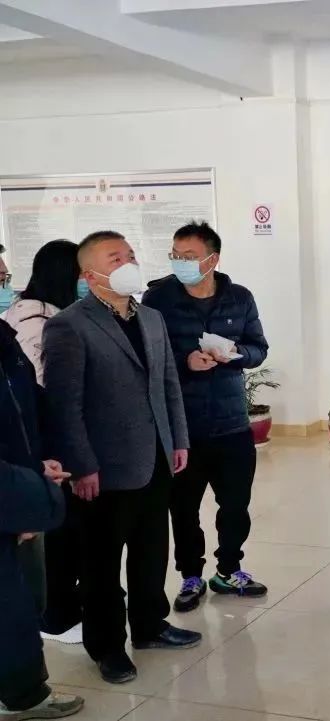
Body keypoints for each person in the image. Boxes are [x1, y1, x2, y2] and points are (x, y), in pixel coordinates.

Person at [43, 231, 201, 685]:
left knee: (152, 549)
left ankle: (150, 625)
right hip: (103, 467)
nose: (128, 263)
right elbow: (64, 404)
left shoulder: (151, 317)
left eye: (130, 255)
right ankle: (107, 646)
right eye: (116, 258)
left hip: (154, 457)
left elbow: (168, 384)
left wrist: (178, 439)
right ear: (90, 274)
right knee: (101, 563)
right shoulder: (69, 325)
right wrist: (82, 465)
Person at [143, 222, 270, 612]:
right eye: (175, 255)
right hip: (183, 428)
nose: (180, 262)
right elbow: (148, 357)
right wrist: (186, 362)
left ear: (212, 259)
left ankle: (228, 569)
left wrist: (236, 355)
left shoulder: (239, 298)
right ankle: (190, 575)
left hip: (232, 424)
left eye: (189, 256)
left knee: (235, 506)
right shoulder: (157, 299)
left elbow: (258, 348)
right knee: (183, 508)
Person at [0, 246, 84, 720]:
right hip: (12, 492)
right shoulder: (32, 323)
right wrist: (28, 498)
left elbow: (27, 404)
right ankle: (23, 695)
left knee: (21, 599)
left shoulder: (4, 338)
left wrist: (40, 461)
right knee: (11, 603)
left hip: (22, 480)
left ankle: (22, 690)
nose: (6, 287)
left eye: (5, 275)